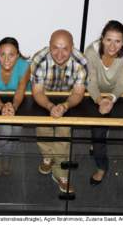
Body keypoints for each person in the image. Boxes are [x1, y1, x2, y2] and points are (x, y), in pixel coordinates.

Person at [31, 29, 87, 193]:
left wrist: (64, 106)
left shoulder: (81, 61)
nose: (60, 53)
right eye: (55, 47)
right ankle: (47, 157)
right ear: (49, 46)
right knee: (43, 130)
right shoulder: (39, 59)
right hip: (43, 97)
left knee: (64, 136)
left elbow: (77, 93)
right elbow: (37, 92)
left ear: (72, 47)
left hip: (69, 99)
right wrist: (49, 106)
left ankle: (61, 174)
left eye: (65, 48)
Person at [84, 20, 123, 185]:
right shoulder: (91, 52)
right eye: (108, 40)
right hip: (94, 94)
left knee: (99, 134)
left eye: (118, 41)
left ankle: (100, 164)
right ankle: (101, 162)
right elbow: (90, 81)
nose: (112, 46)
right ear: (102, 39)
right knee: (98, 133)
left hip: (117, 95)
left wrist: (111, 99)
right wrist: (99, 100)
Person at [0, 37, 31, 176]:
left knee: (15, 132)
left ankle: (8, 156)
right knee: (5, 131)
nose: (6, 59)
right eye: (2, 54)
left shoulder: (25, 66)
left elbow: (21, 91)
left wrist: (14, 107)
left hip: (21, 99)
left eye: (11, 55)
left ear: (17, 55)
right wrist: (1, 107)